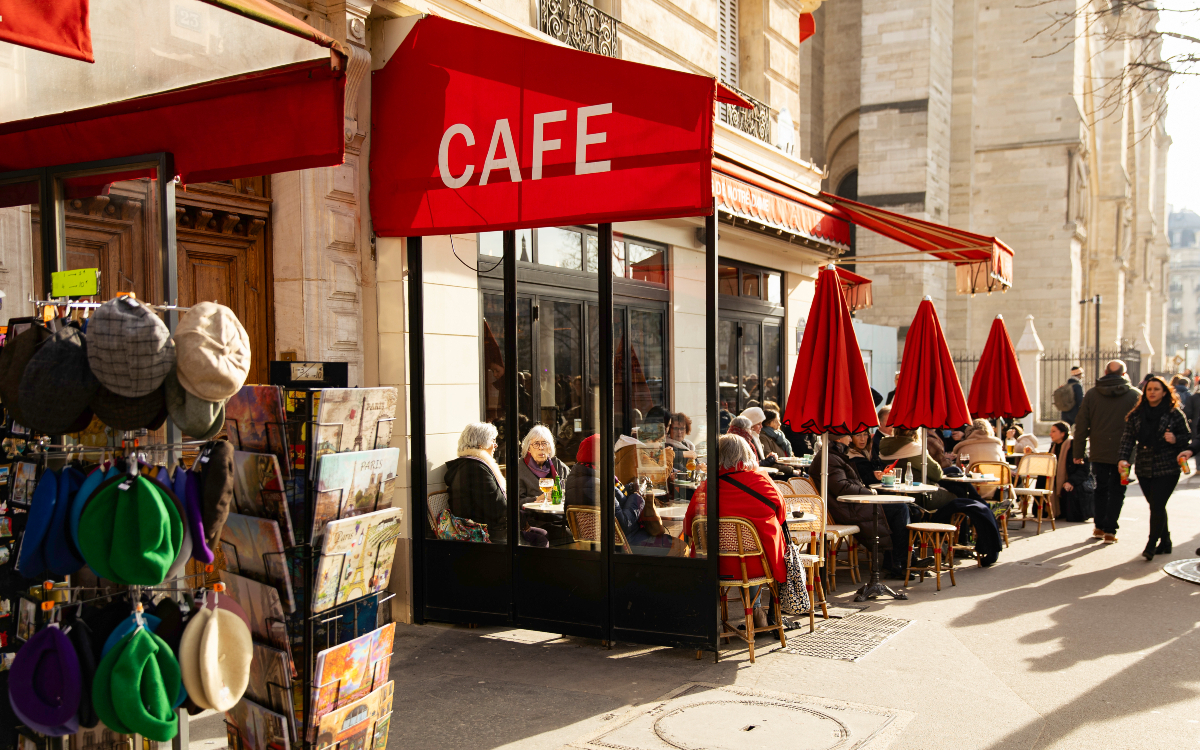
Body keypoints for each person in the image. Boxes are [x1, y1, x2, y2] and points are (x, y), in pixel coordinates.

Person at [681, 434, 789, 632]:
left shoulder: (706, 487)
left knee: (741, 555)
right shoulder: (761, 481)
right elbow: (781, 515)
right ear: (746, 453)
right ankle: (756, 609)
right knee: (750, 554)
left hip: (715, 565)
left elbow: (689, 528)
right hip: (758, 566)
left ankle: (746, 611)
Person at [811, 434, 928, 577]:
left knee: (909, 508)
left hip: (846, 506)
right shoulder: (830, 457)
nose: (851, 438)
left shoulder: (833, 455)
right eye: (849, 435)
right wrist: (869, 492)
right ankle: (898, 562)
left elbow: (843, 485)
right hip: (845, 509)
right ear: (838, 438)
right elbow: (841, 487)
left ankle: (906, 560)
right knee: (900, 508)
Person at [1117, 375, 1190, 560]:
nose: (1152, 392)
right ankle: (1165, 541)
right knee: (1156, 505)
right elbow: (1127, 438)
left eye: (1156, 389)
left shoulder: (1174, 413)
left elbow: (1186, 436)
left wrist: (1175, 439)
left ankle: (1151, 544)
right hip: (1144, 466)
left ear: (1164, 392)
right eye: (1149, 389)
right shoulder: (1136, 414)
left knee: (1157, 505)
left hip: (1167, 466)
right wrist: (1123, 459)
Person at [1073, 360, 1142, 544]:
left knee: (1100, 488)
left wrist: (1078, 451)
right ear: (1124, 373)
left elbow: (1081, 424)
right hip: (1125, 455)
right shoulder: (1135, 395)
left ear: (1105, 371)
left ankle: (1099, 526)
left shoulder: (1092, 394)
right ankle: (1111, 530)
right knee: (1119, 489)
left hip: (1099, 451)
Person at [565, 434, 648, 547]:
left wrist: (630, 488)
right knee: (676, 547)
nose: (614, 457)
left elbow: (615, 497)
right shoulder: (600, 485)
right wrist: (637, 497)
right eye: (610, 453)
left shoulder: (578, 478)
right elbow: (623, 524)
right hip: (624, 546)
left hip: (597, 546)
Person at [443, 422, 508, 543]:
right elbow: (498, 506)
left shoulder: (466, 465)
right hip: (485, 533)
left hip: (483, 528)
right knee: (539, 538)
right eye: (493, 441)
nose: (496, 445)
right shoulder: (476, 468)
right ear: (481, 445)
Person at [515, 425, 570, 547]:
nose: (541, 448)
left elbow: (569, 487)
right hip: (534, 522)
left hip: (560, 518)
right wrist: (537, 499)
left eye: (544, 443)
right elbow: (515, 501)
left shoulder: (558, 465)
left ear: (550, 447)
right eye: (536, 444)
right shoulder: (519, 468)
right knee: (568, 536)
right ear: (528, 448)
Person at [878, 428, 956, 510]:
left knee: (954, 472)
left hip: (893, 493)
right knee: (955, 497)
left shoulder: (883, 446)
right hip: (919, 494)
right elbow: (937, 474)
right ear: (914, 432)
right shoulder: (914, 449)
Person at [1048, 421, 1094, 523]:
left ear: (1063, 433)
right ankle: (1053, 511)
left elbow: (1084, 469)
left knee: (1071, 490)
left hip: (1075, 480)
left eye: (1053, 431)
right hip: (1058, 481)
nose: (1050, 434)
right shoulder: (1054, 446)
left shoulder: (1074, 445)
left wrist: (1071, 481)